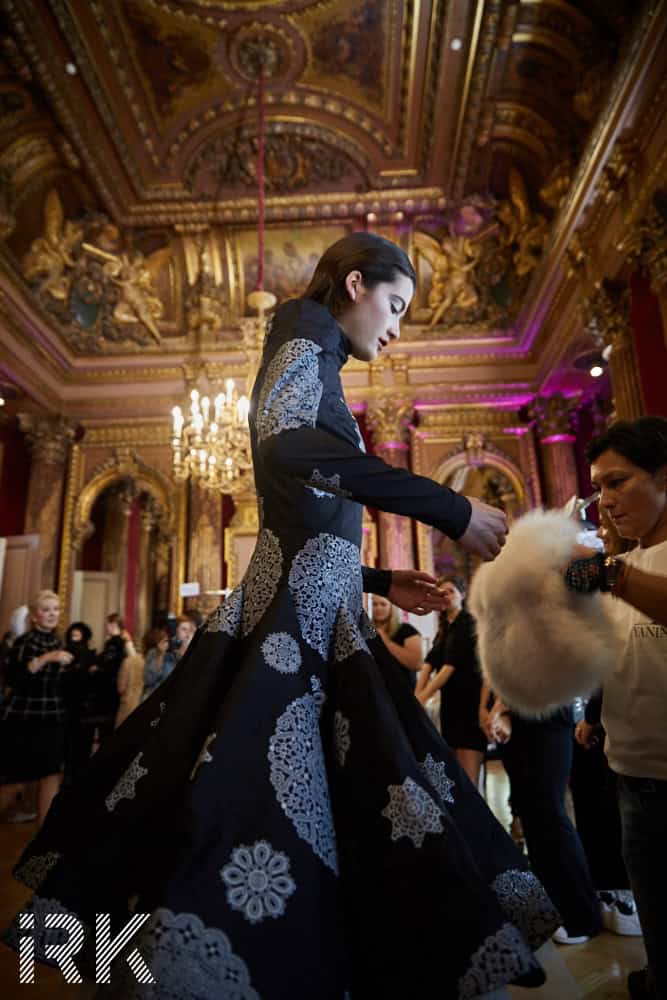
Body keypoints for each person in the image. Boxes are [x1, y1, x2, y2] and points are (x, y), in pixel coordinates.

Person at [6, 233, 559, 998]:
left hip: (320, 604)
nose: (395, 328)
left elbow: (307, 509)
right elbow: (289, 447)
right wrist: (448, 508)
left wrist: (376, 576)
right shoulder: (307, 329)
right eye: (392, 306)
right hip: (295, 618)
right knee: (254, 794)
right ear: (355, 283)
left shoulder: (319, 349)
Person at [566, 416, 667, 1000]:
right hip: (633, 780)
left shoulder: (619, 570)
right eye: (599, 487)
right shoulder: (621, 563)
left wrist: (609, 572)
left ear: (662, 477)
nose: (605, 500)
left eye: (618, 482)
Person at [482, 692, 602, 947]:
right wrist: (501, 709)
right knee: (532, 814)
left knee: (550, 813)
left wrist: (503, 707)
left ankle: (582, 916)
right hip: (520, 713)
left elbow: (541, 665)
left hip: (547, 709)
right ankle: (554, 905)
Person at [0, 590, 73, 827]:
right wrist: (47, 658)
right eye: (46, 609)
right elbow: (14, 678)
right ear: (34, 615)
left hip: (53, 719)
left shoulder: (59, 641)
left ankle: (43, 837)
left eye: (55, 609)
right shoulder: (24, 643)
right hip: (24, 719)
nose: (52, 614)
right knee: (17, 781)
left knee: (51, 775)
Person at [416, 575, 487, 786]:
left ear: (462, 594)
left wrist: (423, 698)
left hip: (469, 704)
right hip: (452, 706)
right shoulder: (446, 626)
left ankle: (476, 819)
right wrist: (417, 694)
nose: (445, 596)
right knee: (455, 775)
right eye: (442, 593)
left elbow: (448, 668)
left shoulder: (468, 622)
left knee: (468, 779)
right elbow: (429, 663)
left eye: (450, 591)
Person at [370, 593, 422, 686]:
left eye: (383, 604)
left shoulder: (407, 630)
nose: (378, 608)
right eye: (375, 604)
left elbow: (417, 664)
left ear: (392, 607)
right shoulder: (368, 631)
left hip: (403, 691)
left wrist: (387, 642)